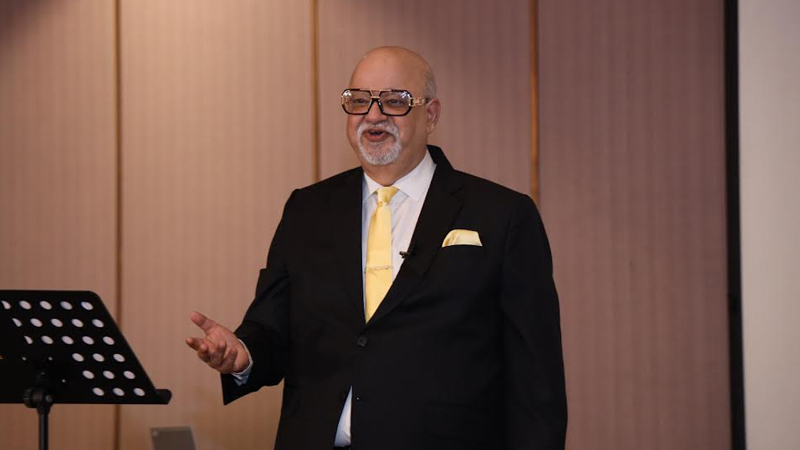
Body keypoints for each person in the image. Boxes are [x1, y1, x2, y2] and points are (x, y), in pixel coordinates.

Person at [186, 46, 567, 450]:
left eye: (393, 101)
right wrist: (244, 353)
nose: (373, 115)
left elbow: (536, 383)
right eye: (359, 101)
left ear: (431, 115)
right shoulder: (307, 210)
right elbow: (271, 327)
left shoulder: (501, 216)